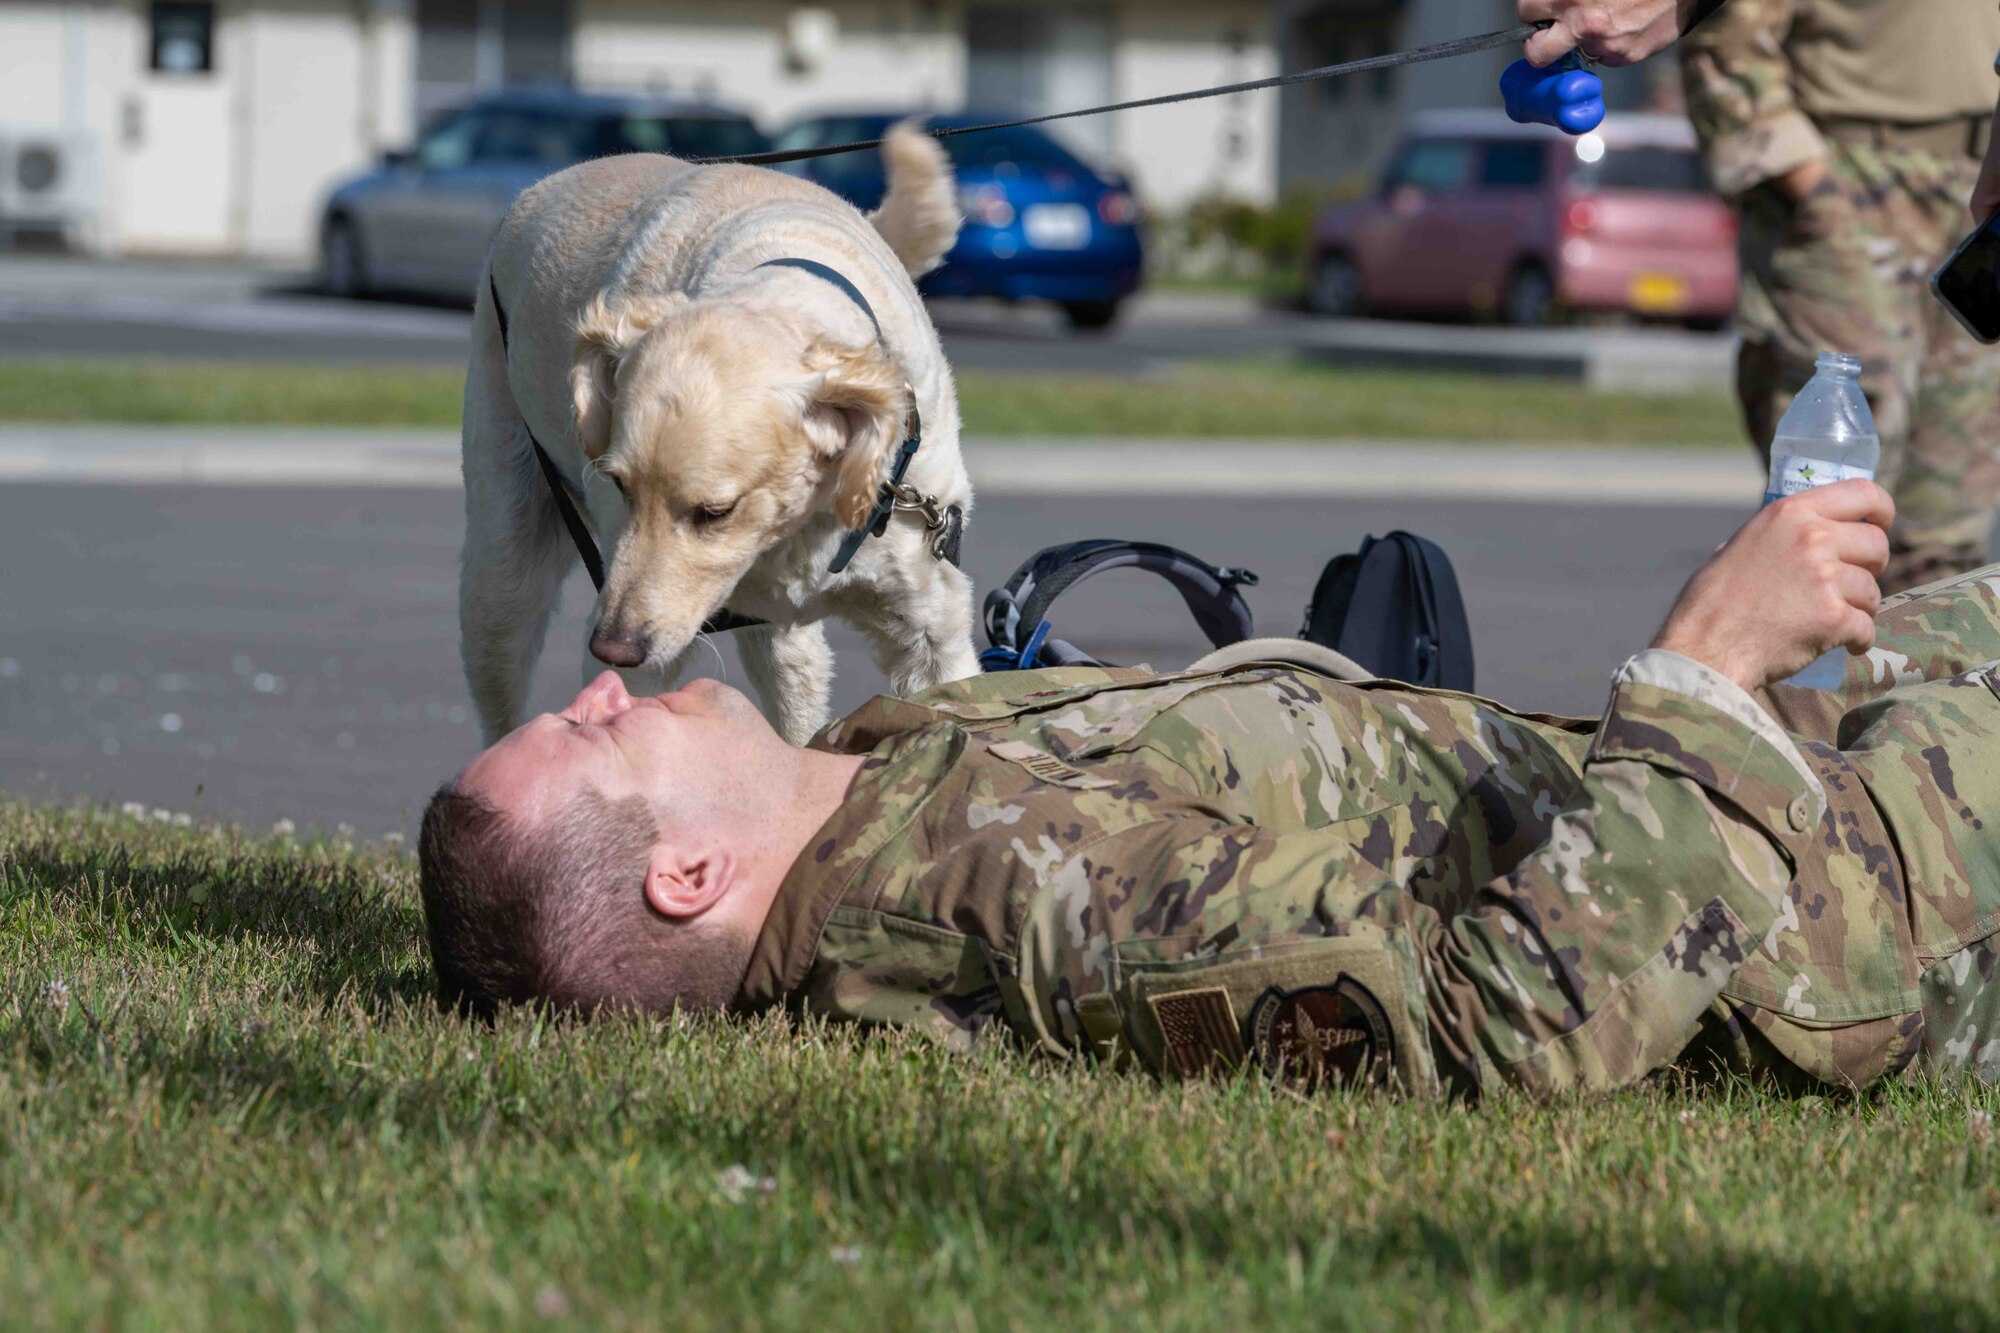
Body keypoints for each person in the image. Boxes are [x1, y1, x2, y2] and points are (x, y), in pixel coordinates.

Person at [419, 481, 2000, 1099]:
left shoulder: (879, 781)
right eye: (595, 734)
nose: (602, 682)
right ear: (685, 875)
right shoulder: (1000, 901)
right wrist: (1704, 670)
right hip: (1855, 918)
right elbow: (1503, 1029)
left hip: (1775, 803)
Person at [1674, 0, 2000, 593]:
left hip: (1979, 184)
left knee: (1949, 532)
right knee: (1832, 508)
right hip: (1851, 177)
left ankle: (1923, 684)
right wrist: (1812, 189)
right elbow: (1724, 34)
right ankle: (1803, 681)